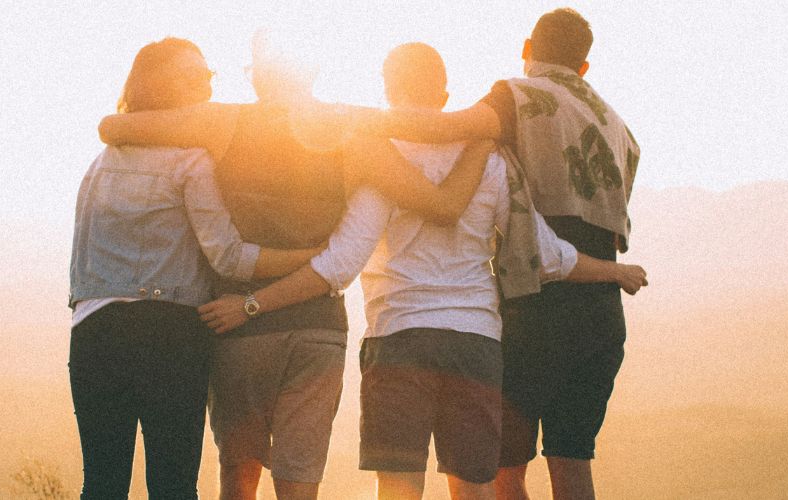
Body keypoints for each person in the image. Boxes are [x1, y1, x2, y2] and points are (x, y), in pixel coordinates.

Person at [197, 41, 646, 500]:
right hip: (475, 342)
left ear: (388, 91)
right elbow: (546, 255)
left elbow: (340, 264)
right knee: (474, 490)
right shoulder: (490, 160)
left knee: (399, 489)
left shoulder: (382, 162)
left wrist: (253, 303)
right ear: (444, 96)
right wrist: (615, 272)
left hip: (399, 338)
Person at [98, 32, 491, 500]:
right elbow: (442, 206)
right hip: (317, 330)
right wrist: (483, 137)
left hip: (238, 329)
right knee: (300, 486)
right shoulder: (355, 134)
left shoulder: (222, 123)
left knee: (238, 482)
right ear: (312, 71)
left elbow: (114, 127)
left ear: (258, 75)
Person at [354, 9, 642, 499]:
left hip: (534, 307)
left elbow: (446, 128)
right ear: (584, 66)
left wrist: (349, 121)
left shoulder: (518, 97)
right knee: (573, 463)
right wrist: (614, 272)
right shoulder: (618, 127)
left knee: (504, 473)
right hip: (600, 311)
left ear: (528, 48)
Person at [68, 37, 327, 500]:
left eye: (208, 75)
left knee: (102, 483)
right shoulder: (191, 160)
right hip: (170, 334)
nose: (207, 86)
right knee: (173, 485)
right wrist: (310, 256)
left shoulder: (99, 164)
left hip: (94, 332)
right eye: (194, 77)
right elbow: (228, 257)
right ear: (161, 85)